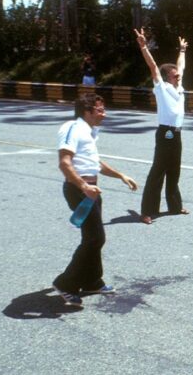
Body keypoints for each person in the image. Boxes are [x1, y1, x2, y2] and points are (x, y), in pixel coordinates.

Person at [53, 93, 138, 307]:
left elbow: (95, 163)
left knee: (93, 237)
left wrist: (121, 176)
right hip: (78, 189)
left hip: (91, 189)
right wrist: (84, 186)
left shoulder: (89, 132)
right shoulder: (73, 128)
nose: (104, 113)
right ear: (87, 111)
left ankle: (91, 280)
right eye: (100, 110)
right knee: (94, 238)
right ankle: (65, 283)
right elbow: (64, 163)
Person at [134, 28, 190, 224]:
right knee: (158, 171)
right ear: (167, 78)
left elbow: (181, 67)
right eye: (175, 76)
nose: (178, 76)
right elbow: (153, 66)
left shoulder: (179, 87)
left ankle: (175, 206)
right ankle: (147, 211)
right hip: (165, 132)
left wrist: (182, 50)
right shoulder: (162, 88)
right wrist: (144, 46)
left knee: (174, 170)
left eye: (178, 75)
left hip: (177, 134)